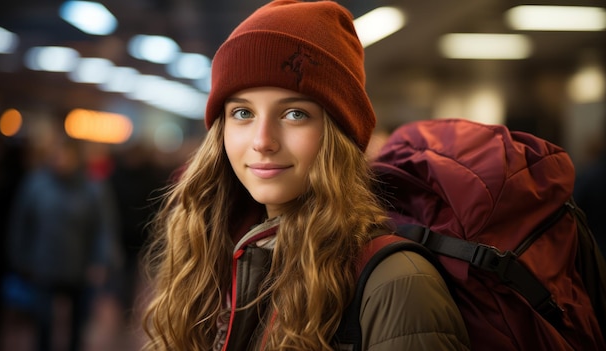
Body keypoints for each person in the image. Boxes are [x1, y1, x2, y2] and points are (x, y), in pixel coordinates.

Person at [141, 1, 470, 350]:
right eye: (242, 112)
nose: (263, 141)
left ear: (338, 134)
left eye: (295, 113)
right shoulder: (216, 259)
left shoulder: (399, 283)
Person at [6, 135, 119, 351]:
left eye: (67, 155)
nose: (62, 160)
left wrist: (101, 261)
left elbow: (103, 228)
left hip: (80, 267)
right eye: (57, 155)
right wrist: (19, 258)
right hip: (42, 265)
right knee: (43, 323)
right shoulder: (36, 184)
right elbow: (21, 223)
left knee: (78, 325)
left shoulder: (93, 187)